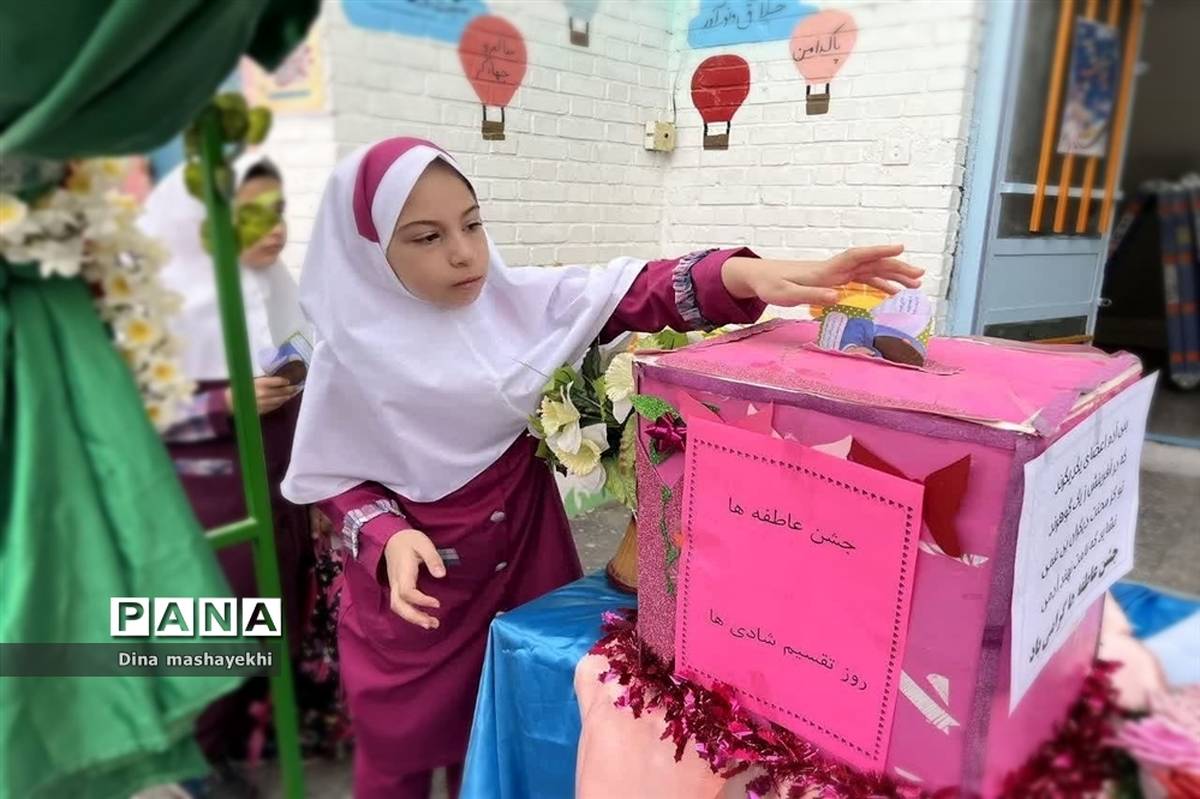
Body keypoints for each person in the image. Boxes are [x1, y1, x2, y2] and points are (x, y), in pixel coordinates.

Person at [280, 136, 923, 799]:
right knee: (402, 761)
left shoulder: (516, 302)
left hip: (525, 563)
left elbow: (632, 291)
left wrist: (752, 275)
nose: (463, 251)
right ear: (369, 256)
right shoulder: (351, 355)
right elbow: (333, 476)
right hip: (418, 605)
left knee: (524, 725)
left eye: (472, 222)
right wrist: (389, 535)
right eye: (424, 236)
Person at [141, 159, 315, 792]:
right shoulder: (155, 301)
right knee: (215, 633)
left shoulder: (274, 282)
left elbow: (303, 352)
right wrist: (221, 403)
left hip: (277, 488)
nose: (272, 231)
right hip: (208, 497)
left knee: (270, 623)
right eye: (250, 214)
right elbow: (126, 414)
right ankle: (194, 760)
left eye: (277, 211)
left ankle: (234, 743)